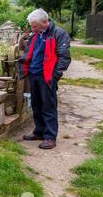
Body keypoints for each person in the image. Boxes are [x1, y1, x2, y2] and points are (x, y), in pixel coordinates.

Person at [19, 9, 71, 150]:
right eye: (32, 26)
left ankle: (50, 137)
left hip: (47, 77)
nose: (32, 29)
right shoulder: (36, 34)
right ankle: (39, 132)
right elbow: (29, 52)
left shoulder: (59, 34)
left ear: (44, 22)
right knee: (36, 105)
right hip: (34, 75)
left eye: (34, 26)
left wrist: (55, 76)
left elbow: (64, 57)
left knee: (48, 107)